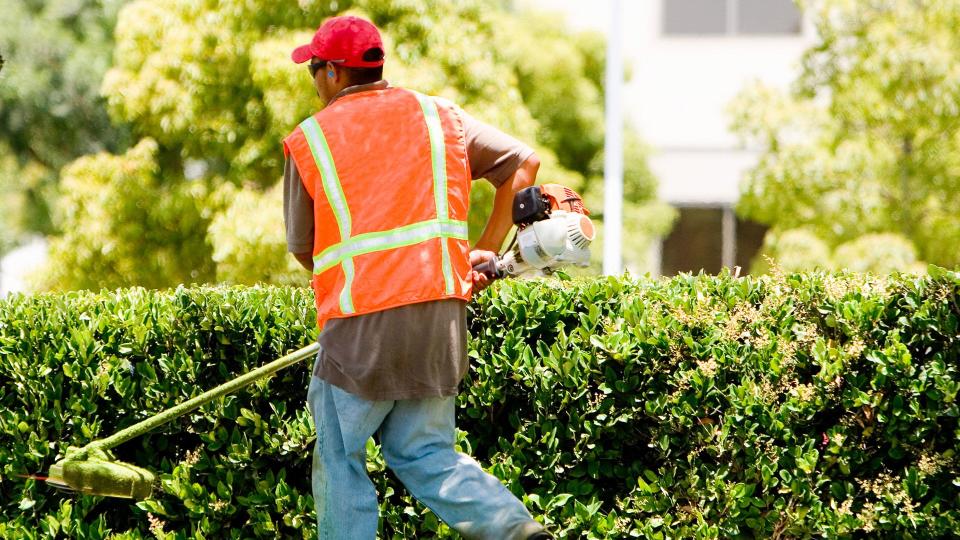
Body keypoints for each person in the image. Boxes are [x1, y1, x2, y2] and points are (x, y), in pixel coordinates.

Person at [282, 15, 553, 540]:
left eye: (314, 69)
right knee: (426, 452)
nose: (314, 82)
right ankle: (514, 531)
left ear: (334, 73)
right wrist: (484, 253)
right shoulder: (439, 116)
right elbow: (524, 163)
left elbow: (303, 249)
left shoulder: (309, 139)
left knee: (340, 458)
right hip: (439, 322)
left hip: (359, 330)